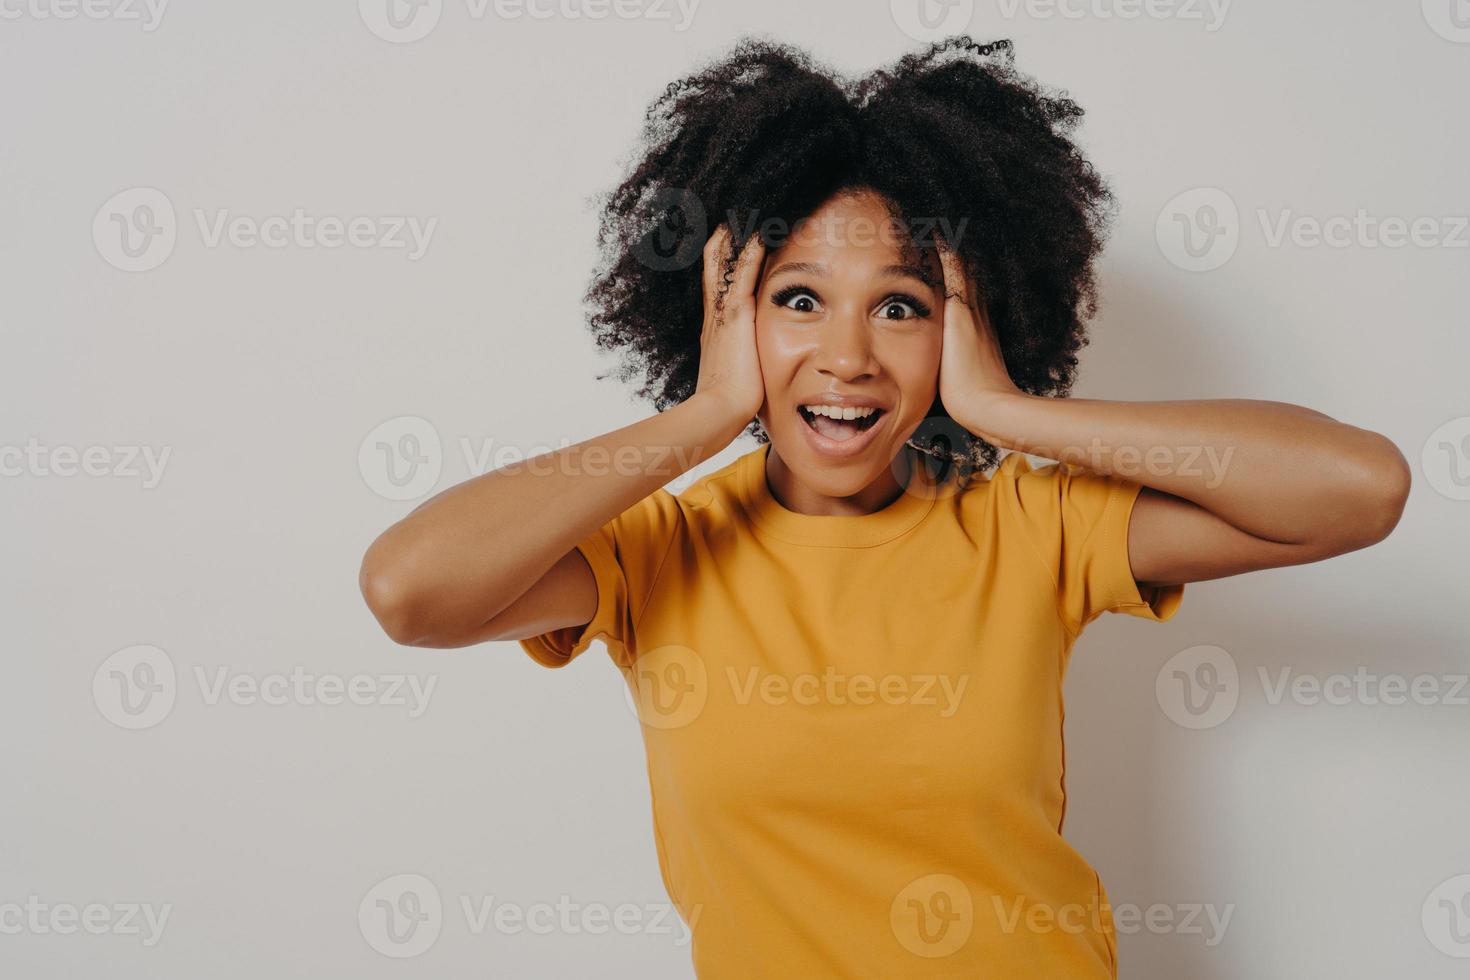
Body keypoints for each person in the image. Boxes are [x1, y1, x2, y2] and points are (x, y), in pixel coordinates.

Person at [358, 36, 1409, 978]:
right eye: (798, 298)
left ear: (965, 324)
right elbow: (410, 590)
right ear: (726, 315)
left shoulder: (1030, 529)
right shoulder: (655, 553)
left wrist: (1007, 409)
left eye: (901, 306)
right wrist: (708, 410)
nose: (849, 356)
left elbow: (1359, 490)